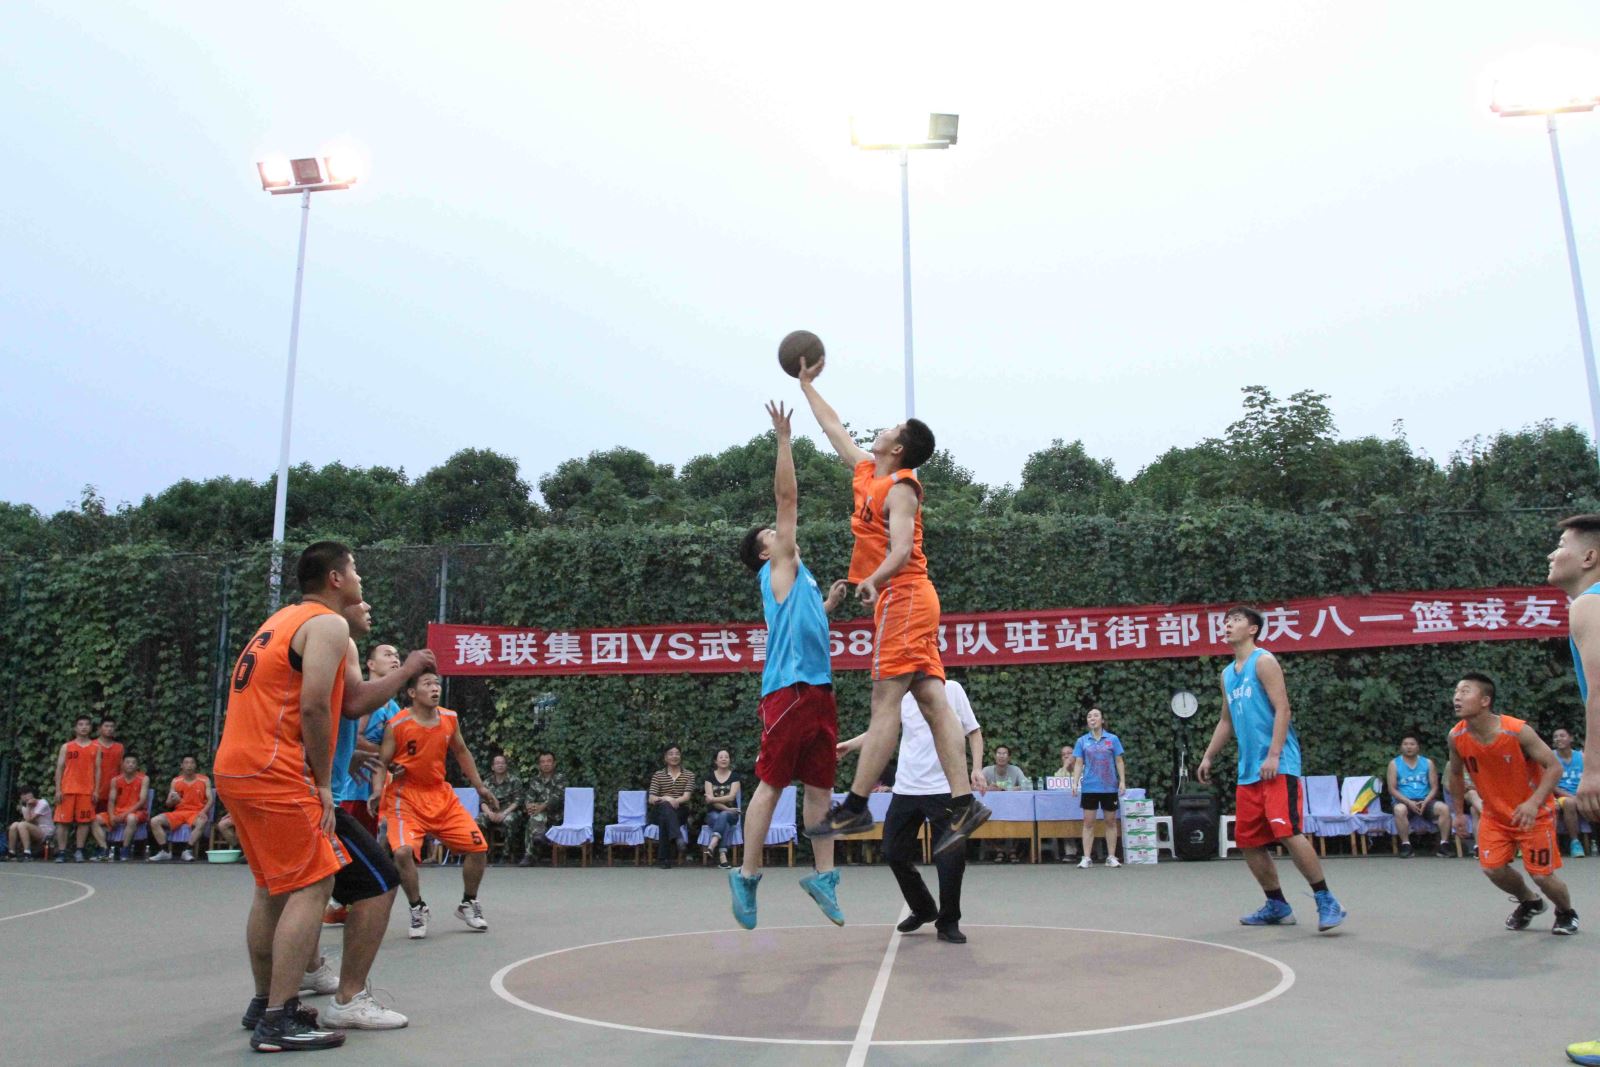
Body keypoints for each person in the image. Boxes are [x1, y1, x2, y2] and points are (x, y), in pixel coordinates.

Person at [795, 360, 989, 852]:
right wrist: (806, 385)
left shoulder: (902, 488)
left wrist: (874, 579)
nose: (883, 429)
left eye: (892, 428)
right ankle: (964, 804)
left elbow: (901, 550)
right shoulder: (867, 471)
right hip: (908, 600)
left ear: (898, 448)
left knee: (885, 702)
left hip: (904, 595)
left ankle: (857, 805)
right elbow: (833, 428)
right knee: (931, 700)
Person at [214, 540, 364, 1052]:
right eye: (355, 570)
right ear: (336, 579)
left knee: (271, 887)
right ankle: (279, 1019)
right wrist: (322, 783)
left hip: (235, 765)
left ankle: (264, 1003)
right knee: (315, 882)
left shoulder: (279, 621)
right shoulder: (328, 624)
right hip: (274, 767)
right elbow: (316, 705)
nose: (360, 580)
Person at [729, 399, 850, 929]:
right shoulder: (778, 565)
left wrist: (828, 606)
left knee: (821, 789)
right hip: (789, 691)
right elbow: (787, 497)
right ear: (765, 553)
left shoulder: (799, 579)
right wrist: (783, 439)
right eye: (771, 536)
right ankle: (747, 875)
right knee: (773, 785)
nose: (780, 535)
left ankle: (823, 877)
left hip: (819, 691)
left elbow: (801, 623)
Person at [1198, 606, 1346, 932]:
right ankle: (1277, 904)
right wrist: (1208, 756)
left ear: (1252, 629)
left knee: (1287, 830)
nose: (1227, 625)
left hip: (1278, 766)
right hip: (1249, 771)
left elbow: (1283, 709)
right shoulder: (1227, 674)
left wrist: (1274, 755)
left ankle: (1326, 899)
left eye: (1236, 620)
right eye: (1226, 621)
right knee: (1248, 840)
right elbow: (1226, 720)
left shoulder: (1263, 661)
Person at [841, 678, 985, 943]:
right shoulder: (901, 695)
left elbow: (973, 732)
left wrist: (976, 768)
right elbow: (881, 730)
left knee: (951, 858)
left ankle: (948, 922)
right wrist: (849, 745)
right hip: (906, 788)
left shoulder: (951, 689)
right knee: (893, 852)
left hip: (944, 788)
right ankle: (923, 908)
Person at [1445, 672, 1577, 935]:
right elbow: (1456, 775)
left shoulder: (1517, 731)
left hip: (1533, 814)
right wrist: (1458, 813)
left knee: (1541, 875)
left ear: (1485, 700)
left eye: (1465, 691)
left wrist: (1533, 803)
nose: (1457, 697)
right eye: (1456, 691)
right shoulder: (1456, 736)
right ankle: (1530, 902)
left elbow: (1553, 767)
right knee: (1492, 869)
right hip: (1495, 816)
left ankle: (1566, 912)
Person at [371, 669, 498, 939]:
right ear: (412, 693)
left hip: (440, 796)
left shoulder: (449, 718)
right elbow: (382, 763)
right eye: (427, 684)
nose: (435, 688)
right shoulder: (398, 724)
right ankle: (417, 908)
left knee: (478, 847)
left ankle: (468, 902)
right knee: (402, 852)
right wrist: (376, 791)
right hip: (405, 798)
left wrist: (480, 786)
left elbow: (461, 751)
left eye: (436, 683)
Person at [1546, 514, 1600, 1066]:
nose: (1551, 554)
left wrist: (1593, 769)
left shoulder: (1590, 604)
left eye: (1560, 545)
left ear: (1589, 557)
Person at [1070, 709, 1126, 869]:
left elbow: (1119, 761)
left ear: (1102, 720)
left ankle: (1111, 857)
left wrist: (1122, 781)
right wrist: (1075, 783)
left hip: (1109, 787)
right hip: (1089, 787)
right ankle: (1087, 857)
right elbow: (1079, 763)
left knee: (1110, 822)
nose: (1092, 718)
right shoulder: (1082, 741)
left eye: (1096, 716)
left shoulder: (1112, 739)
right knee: (1088, 822)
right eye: (1089, 716)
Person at [1387, 733, 1453, 858]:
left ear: (1418, 747)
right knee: (1399, 810)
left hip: (1425, 799)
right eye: (1405, 744)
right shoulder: (1394, 764)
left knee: (1444, 808)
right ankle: (1406, 845)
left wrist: (1426, 801)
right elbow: (1392, 789)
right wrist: (1409, 802)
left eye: (1412, 744)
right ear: (1401, 747)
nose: (1409, 747)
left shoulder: (1427, 763)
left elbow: (1434, 787)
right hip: (1404, 800)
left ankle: (1444, 845)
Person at [52, 716, 101, 863]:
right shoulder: (66, 747)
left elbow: (98, 770)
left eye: (87, 724)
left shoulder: (96, 747)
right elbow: (59, 768)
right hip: (67, 789)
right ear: (75, 728)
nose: (84, 727)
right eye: (80, 724)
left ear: (90, 728)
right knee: (62, 822)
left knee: (84, 822)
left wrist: (96, 790)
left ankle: (79, 850)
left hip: (86, 790)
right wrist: (58, 789)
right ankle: (62, 852)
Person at [148, 756, 211, 862]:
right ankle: (165, 851)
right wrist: (174, 800)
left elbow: (210, 800)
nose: (189, 765)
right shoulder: (176, 781)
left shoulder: (204, 780)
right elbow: (168, 804)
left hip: (196, 812)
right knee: (154, 821)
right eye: (186, 763)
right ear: (182, 766)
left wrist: (204, 811)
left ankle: (187, 850)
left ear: (195, 765)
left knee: (202, 821)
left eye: (192, 763)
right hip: (179, 813)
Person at [647, 745, 697, 870]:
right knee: (665, 809)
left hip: (681, 810)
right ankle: (678, 836)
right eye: (671, 754)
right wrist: (667, 798)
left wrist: (672, 801)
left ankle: (664, 859)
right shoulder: (658, 775)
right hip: (659, 810)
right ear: (665, 758)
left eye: (677, 753)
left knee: (666, 816)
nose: (674, 756)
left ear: (680, 756)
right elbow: (651, 798)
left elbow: (686, 797)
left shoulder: (689, 775)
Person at [98, 755, 149, 862]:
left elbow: (141, 801)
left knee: (131, 818)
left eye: (133, 762)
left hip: (137, 812)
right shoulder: (115, 780)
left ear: (137, 766)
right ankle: (104, 849)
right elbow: (111, 801)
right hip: (118, 812)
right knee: (94, 820)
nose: (130, 764)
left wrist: (124, 814)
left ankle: (125, 849)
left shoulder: (144, 779)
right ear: (122, 765)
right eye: (128, 762)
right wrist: (111, 816)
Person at [477, 754, 525, 865]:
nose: (500, 765)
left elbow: (518, 801)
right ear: (492, 767)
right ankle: (482, 853)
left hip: (509, 812)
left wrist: (504, 813)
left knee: (510, 820)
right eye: (497, 763)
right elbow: (482, 802)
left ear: (506, 765)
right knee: (478, 821)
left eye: (502, 763)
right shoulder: (487, 782)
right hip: (492, 812)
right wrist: (489, 813)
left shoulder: (515, 781)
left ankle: (506, 854)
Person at [519, 751, 565, 867]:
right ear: (539, 765)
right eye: (543, 762)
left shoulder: (560, 778)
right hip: (538, 815)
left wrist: (541, 807)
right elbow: (529, 797)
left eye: (549, 761)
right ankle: (539, 837)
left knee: (534, 818)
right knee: (534, 817)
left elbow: (558, 798)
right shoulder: (535, 780)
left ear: (554, 763)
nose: (546, 764)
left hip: (556, 815)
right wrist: (529, 806)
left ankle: (530, 854)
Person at [703, 749, 742, 869]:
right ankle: (722, 856)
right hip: (714, 813)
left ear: (729, 760)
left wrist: (713, 799)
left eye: (726, 757)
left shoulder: (735, 776)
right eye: (721, 757)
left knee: (724, 816)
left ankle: (713, 843)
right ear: (716, 761)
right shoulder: (709, 777)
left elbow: (731, 797)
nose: (724, 759)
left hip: (732, 815)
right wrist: (728, 809)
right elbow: (712, 803)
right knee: (723, 819)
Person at [92, 718, 124, 856]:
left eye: (112, 726)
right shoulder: (92, 745)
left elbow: (122, 769)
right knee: (91, 820)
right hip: (95, 790)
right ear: (100, 728)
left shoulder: (119, 747)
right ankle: (99, 848)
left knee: (108, 821)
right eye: (106, 726)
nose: (109, 729)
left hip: (112, 792)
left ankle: (108, 850)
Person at [1552, 728, 1587, 857]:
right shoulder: (1551, 757)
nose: (1558, 739)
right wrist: (1571, 796)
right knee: (1569, 802)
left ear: (1571, 738)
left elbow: (1589, 778)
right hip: (1560, 796)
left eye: (1562, 735)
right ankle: (1575, 842)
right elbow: (1551, 785)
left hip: (1582, 794)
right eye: (1555, 736)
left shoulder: (1581, 757)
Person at [6, 787, 52, 861]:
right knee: (14, 825)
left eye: (27, 793)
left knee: (22, 824)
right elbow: (28, 822)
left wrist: (28, 806)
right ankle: (11, 853)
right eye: (22, 795)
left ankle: (27, 853)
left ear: (33, 794)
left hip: (45, 831)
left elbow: (29, 820)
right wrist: (27, 807)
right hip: (32, 829)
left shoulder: (43, 803)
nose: (24, 796)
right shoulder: (25, 807)